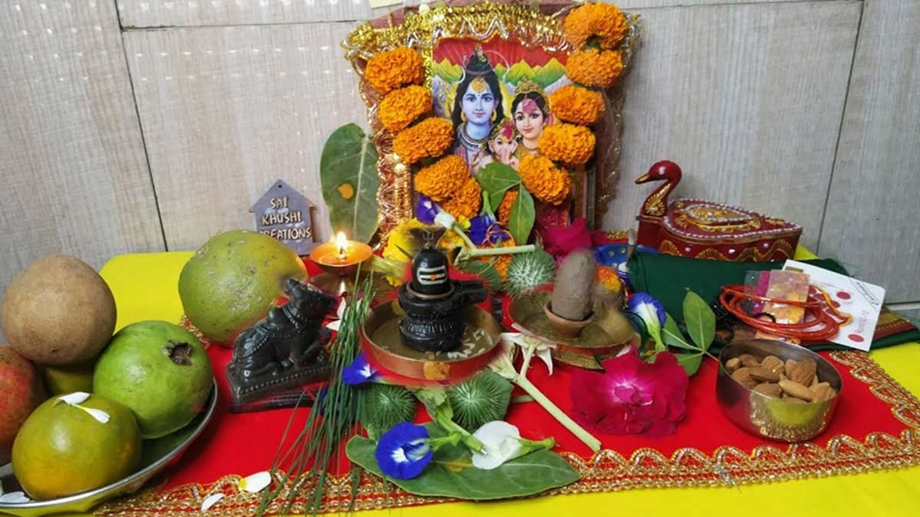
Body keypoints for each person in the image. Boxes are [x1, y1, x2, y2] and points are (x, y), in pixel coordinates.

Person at [451, 45, 504, 174]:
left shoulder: (505, 140)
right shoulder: (451, 140)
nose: (479, 107)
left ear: (495, 103)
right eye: (471, 99)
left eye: (486, 99)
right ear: (461, 104)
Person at [510, 79, 553, 159]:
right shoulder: (509, 152)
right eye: (520, 118)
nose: (526, 123)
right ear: (514, 120)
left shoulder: (555, 151)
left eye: (533, 116)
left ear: (546, 119)